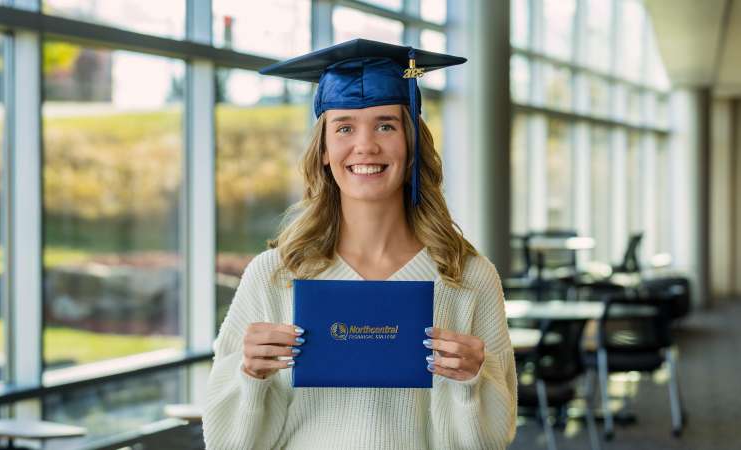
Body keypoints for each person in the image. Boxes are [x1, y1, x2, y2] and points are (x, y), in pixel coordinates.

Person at [203, 39, 517, 450]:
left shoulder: (467, 278)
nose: (366, 145)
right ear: (325, 152)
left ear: (412, 145)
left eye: (386, 125)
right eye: (345, 127)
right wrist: (250, 377)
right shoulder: (274, 275)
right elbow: (226, 444)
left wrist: (472, 385)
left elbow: (494, 441)